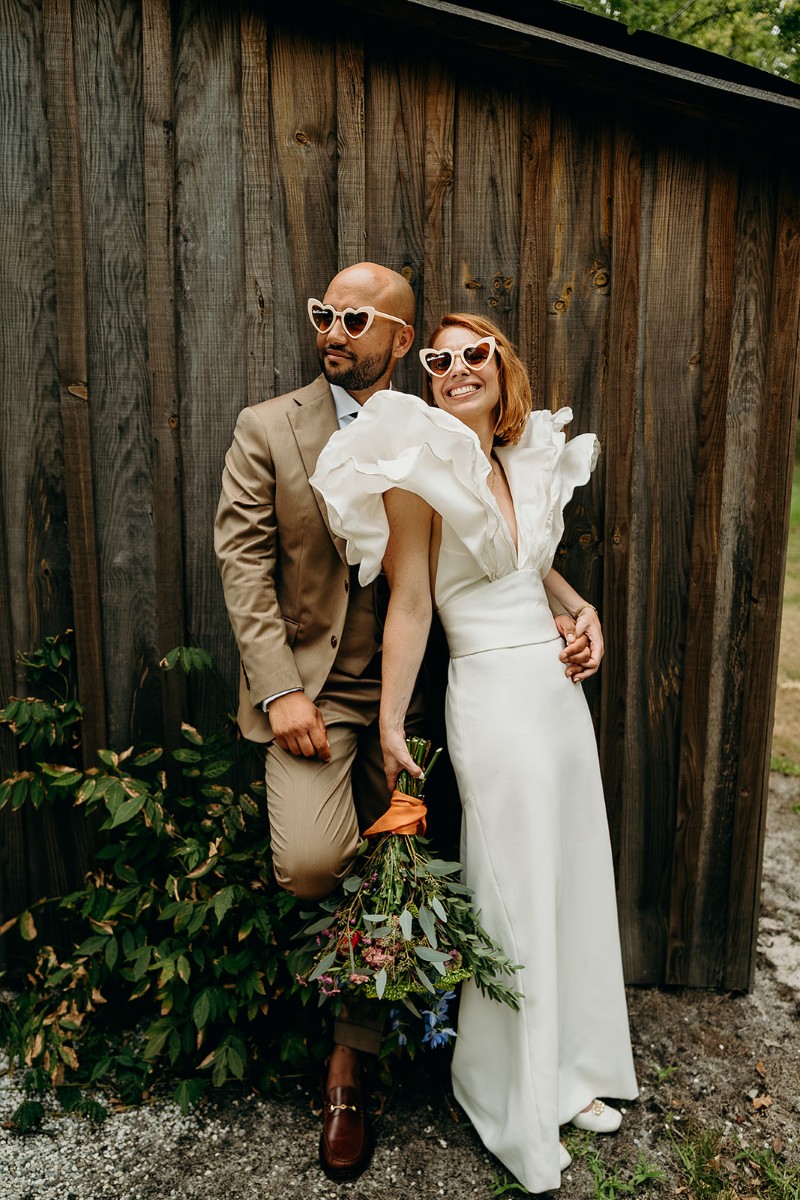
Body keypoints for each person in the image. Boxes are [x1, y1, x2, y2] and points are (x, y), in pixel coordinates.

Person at [215, 269, 596, 1183]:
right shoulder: (271, 427)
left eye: (353, 318)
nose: (331, 330)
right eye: (322, 314)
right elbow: (242, 561)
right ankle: (390, 1007)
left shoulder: (445, 432)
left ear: (398, 334)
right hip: (317, 694)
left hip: (433, 697)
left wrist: (574, 606)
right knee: (317, 863)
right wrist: (280, 692)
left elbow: (505, 545)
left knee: (440, 863)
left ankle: (352, 1066)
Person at [310, 312, 638, 1193]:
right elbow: (413, 604)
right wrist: (387, 723)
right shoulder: (420, 469)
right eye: (438, 359)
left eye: (475, 354)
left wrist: (582, 610)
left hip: (556, 695)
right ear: (427, 376)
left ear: (504, 366)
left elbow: (527, 567)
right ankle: (509, 1093)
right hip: (492, 698)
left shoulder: (516, 458)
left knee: (566, 875)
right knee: (514, 888)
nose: (456, 369)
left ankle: (570, 1072)